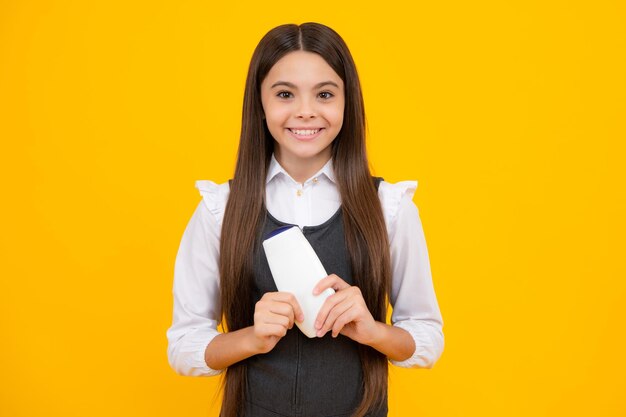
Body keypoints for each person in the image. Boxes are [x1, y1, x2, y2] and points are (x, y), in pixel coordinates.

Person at [166, 22, 444, 417]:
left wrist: (373, 331)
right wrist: (253, 338)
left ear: (348, 103)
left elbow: (427, 338)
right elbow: (184, 346)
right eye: (284, 94)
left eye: (325, 94)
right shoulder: (221, 209)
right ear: (259, 104)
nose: (305, 111)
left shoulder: (389, 207)